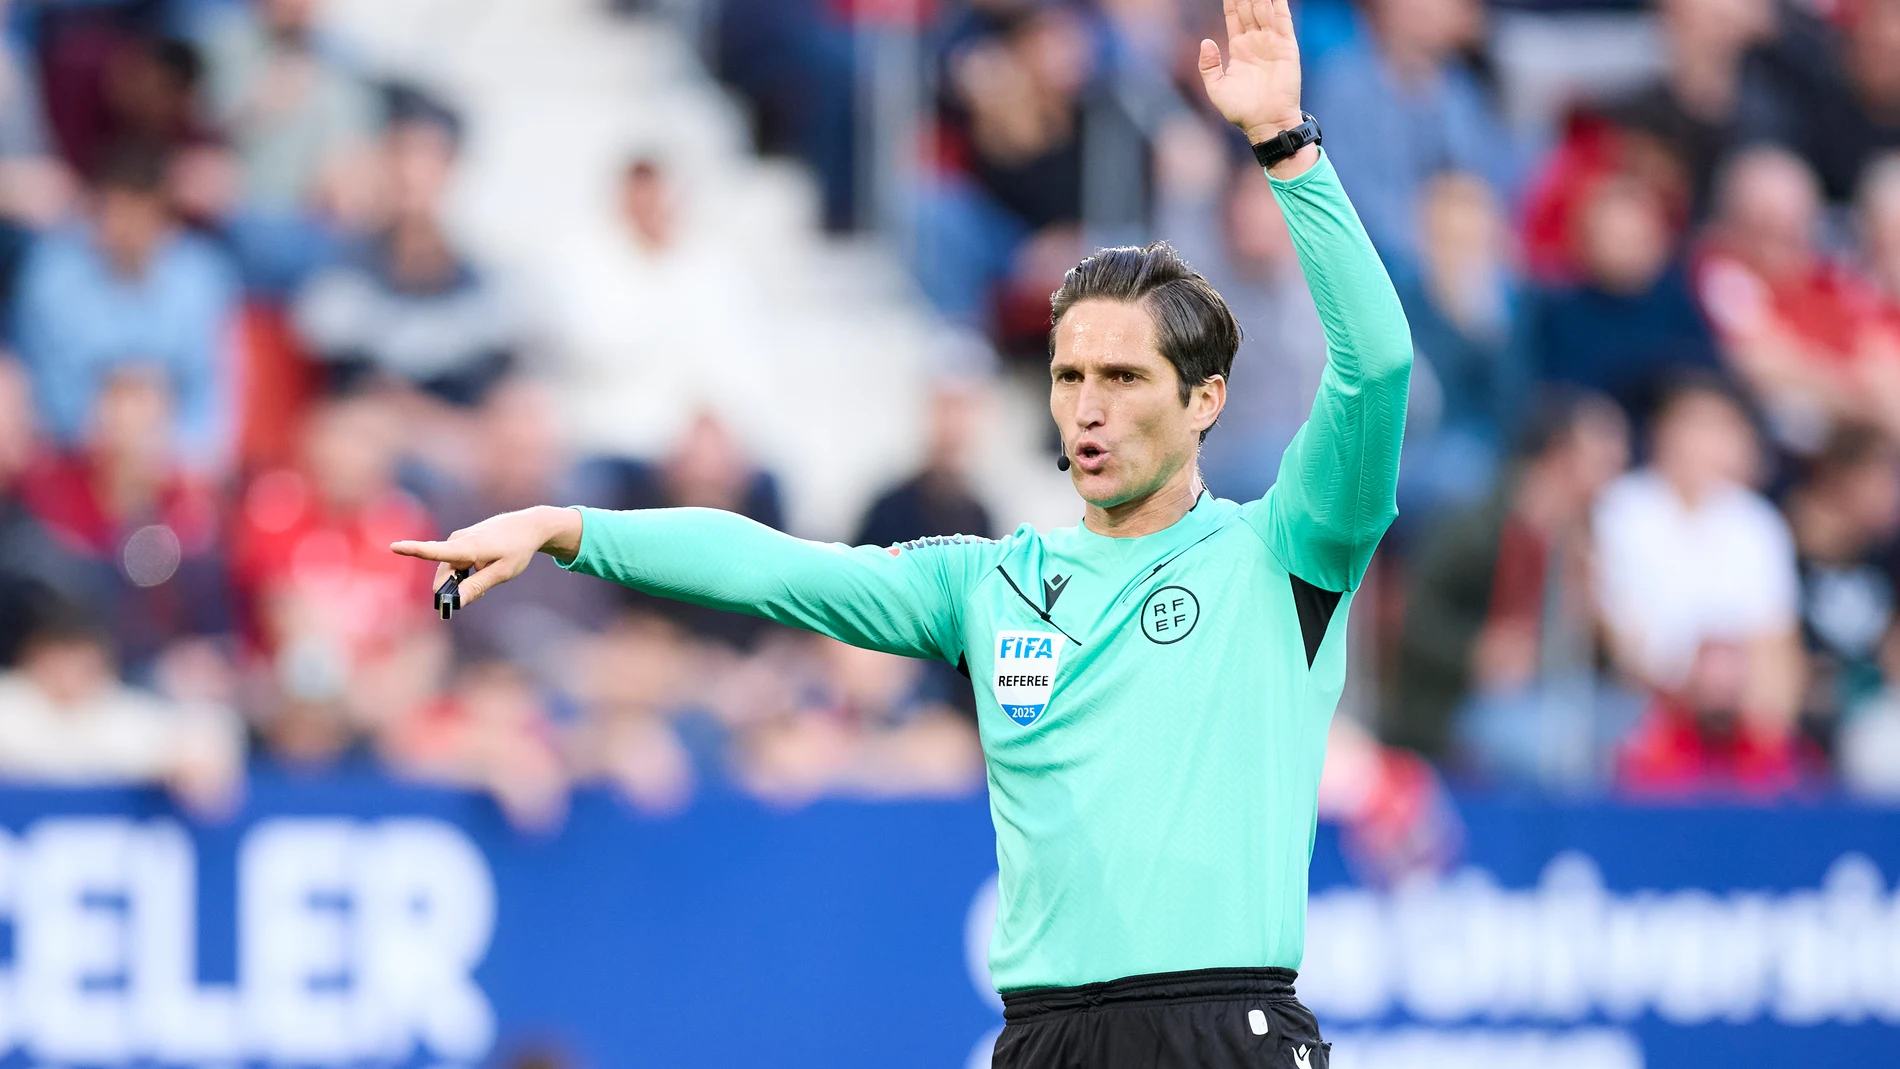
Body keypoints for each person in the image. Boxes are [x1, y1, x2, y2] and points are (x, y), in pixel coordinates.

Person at [394, 4, 1404, 1067]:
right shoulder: (992, 582)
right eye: (1069, 377)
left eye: (1123, 378)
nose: (1088, 408)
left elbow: (1375, 367)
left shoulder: (1282, 554)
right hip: (1044, 1041)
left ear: (1203, 402)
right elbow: (778, 570)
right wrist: (571, 527)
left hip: (1224, 1031)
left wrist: (1287, 149)